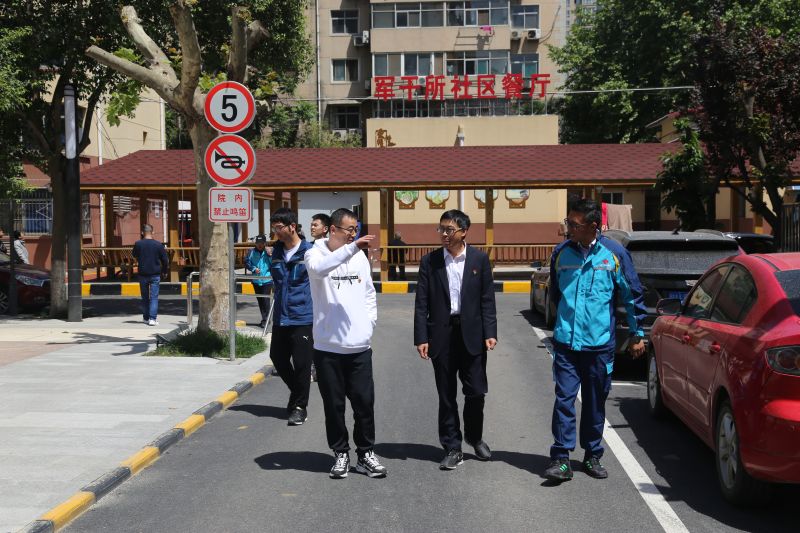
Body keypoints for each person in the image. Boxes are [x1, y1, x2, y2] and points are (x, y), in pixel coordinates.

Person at [544, 198, 646, 482]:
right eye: (568, 222)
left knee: (594, 402)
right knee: (564, 400)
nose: (569, 228)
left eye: (574, 224)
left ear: (592, 226)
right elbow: (556, 294)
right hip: (566, 344)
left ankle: (592, 455)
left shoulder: (614, 254)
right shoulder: (561, 253)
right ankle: (561, 458)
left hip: (599, 346)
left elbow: (632, 295)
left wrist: (637, 334)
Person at [305, 208, 388, 479]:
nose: (354, 234)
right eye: (349, 229)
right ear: (333, 229)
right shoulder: (315, 253)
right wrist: (352, 248)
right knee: (334, 406)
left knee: (364, 404)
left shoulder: (359, 257)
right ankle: (340, 453)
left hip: (359, 348)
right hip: (328, 349)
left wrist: (368, 323)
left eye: (356, 229)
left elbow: (368, 293)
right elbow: (320, 270)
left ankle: (366, 453)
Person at [414, 210, 497, 470]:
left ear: (464, 232)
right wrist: (421, 337)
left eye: (449, 230)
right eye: (441, 229)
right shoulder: (430, 262)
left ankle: (474, 436)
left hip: (472, 334)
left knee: (476, 391)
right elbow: (421, 303)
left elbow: (487, 299)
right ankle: (452, 446)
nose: (444, 235)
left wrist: (490, 331)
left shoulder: (479, 259)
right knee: (446, 394)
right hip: (442, 334)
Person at [268, 208, 314, 426]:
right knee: (277, 357)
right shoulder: (276, 252)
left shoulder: (310, 252)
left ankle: (299, 408)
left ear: (292, 226)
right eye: (274, 228)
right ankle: (297, 394)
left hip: (303, 316)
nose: (276, 232)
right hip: (281, 316)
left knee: (302, 364)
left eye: (279, 227)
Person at [132, 224, 168, 326]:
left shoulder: (138, 244)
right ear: (153, 232)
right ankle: (152, 319)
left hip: (142, 273)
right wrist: (164, 271)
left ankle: (145, 318)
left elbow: (134, 255)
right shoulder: (158, 245)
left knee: (144, 297)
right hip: (155, 274)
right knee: (154, 297)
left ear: (142, 232)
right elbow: (165, 260)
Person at [245, 234, 273, 328]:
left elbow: (273, 263)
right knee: (260, 300)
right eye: (258, 243)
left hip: (267, 280)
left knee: (265, 300)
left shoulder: (269, 251)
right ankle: (264, 318)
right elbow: (247, 262)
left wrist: (270, 255)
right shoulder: (251, 252)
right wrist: (253, 269)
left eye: (261, 243)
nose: (260, 245)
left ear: (265, 243)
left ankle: (266, 319)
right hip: (256, 280)